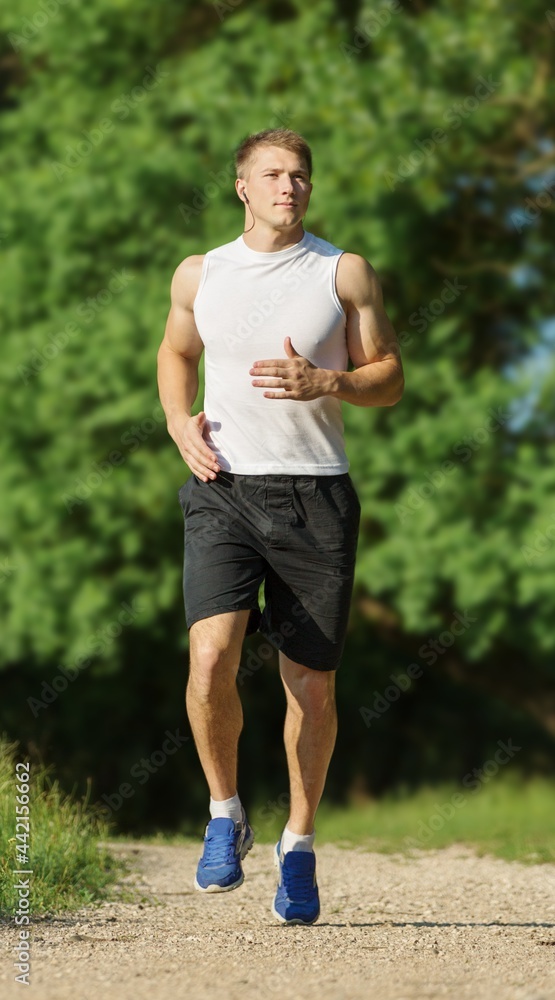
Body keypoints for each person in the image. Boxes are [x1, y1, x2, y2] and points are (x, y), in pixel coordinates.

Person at [157, 127, 403, 926]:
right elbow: (175, 350)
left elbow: (388, 378)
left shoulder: (341, 272)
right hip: (222, 488)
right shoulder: (201, 272)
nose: (289, 186)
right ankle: (223, 812)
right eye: (272, 174)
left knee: (311, 686)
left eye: (300, 175)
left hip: (315, 498)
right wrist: (175, 422)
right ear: (241, 186)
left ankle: (297, 845)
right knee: (210, 658)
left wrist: (327, 378)